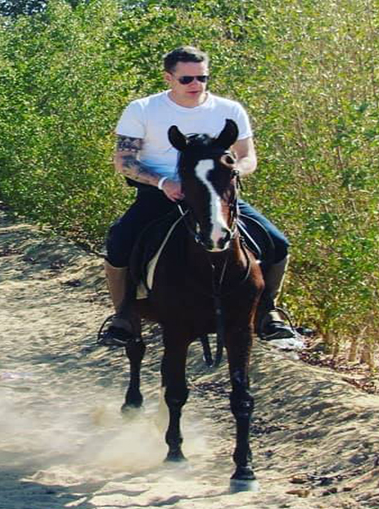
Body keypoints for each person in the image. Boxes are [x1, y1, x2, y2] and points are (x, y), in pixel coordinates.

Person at [98, 46, 297, 347]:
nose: (196, 85)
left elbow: (248, 157)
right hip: (161, 195)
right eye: (187, 79)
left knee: (276, 242)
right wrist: (163, 182)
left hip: (216, 196)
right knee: (119, 241)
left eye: (202, 78)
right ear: (168, 78)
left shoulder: (229, 110)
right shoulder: (142, 109)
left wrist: (232, 174)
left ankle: (267, 312)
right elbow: (124, 161)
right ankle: (124, 317)